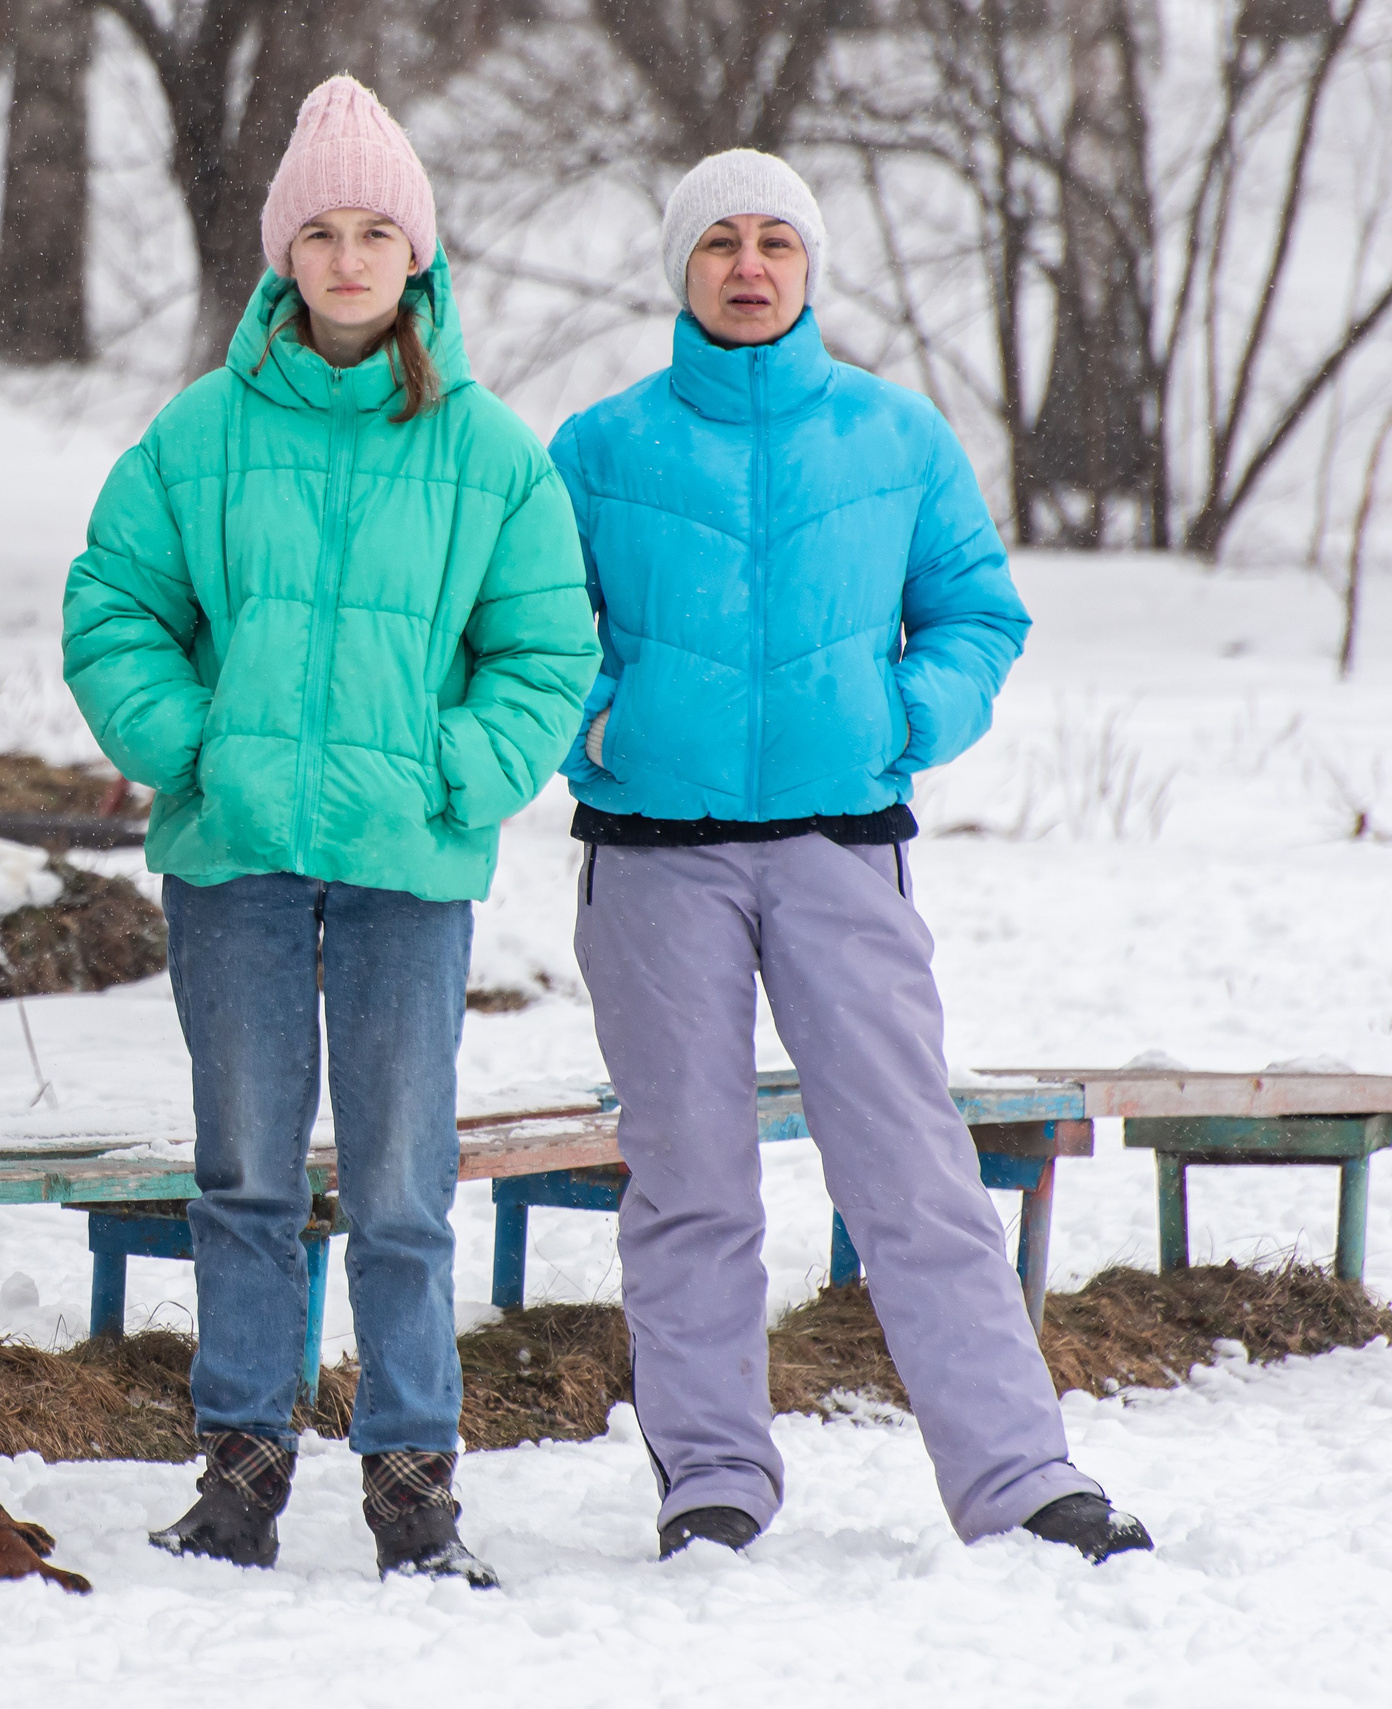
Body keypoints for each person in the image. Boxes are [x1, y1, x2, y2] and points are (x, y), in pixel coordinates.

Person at [550, 149, 1152, 1563]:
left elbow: (978, 617)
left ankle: (1018, 1476)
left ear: (808, 268)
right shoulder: (598, 447)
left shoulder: (894, 437)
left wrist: (899, 715)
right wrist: (604, 725)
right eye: (720, 245)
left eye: (775, 243)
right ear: (680, 272)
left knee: (912, 1171)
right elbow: (533, 632)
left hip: (840, 849)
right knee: (690, 1177)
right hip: (652, 860)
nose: (748, 267)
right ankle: (712, 1477)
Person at [63, 76, 600, 1585]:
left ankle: (414, 1483)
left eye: (379, 233)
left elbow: (549, 654)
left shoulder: (490, 452)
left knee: (402, 1187)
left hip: (404, 875)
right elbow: (114, 606)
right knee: (241, 1173)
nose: (351, 259)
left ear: (417, 257)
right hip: (233, 864)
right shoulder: (200, 435)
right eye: (323, 233)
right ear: (283, 257)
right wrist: (197, 751)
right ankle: (237, 1469)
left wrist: (452, 768)